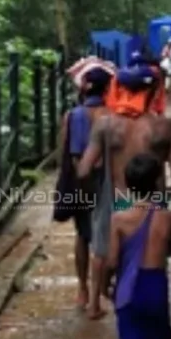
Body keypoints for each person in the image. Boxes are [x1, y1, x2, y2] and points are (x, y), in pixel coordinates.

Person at [77, 63, 171, 320]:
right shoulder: (164, 127)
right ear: (151, 92)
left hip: (117, 200)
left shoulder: (105, 125)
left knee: (104, 253)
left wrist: (96, 195)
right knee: (153, 261)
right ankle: (153, 314)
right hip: (153, 202)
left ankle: (96, 302)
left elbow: (83, 170)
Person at [107, 153, 171, 339]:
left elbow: (111, 261)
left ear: (128, 185)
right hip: (156, 288)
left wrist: (105, 284)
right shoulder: (166, 216)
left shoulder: (119, 219)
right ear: (156, 183)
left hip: (129, 290)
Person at [59, 67, 111, 308]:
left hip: (84, 182)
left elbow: (73, 156)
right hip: (109, 184)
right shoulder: (112, 114)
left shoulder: (78, 115)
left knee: (83, 236)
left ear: (86, 86)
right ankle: (102, 288)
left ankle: (83, 288)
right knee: (107, 235)